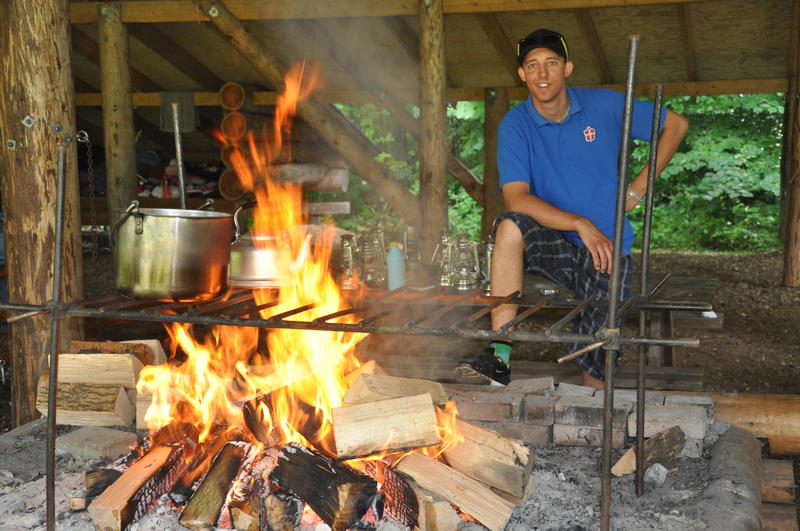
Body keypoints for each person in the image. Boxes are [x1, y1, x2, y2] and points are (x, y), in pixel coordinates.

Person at [454, 29, 688, 387]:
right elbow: (516, 198)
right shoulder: (516, 124)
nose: (542, 74)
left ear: (567, 68)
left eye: (551, 63)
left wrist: (638, 190)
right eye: (532, 66)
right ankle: (499, 354)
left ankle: (594, 428)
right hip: (555, 240)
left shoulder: (606, 105)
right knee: (509, 226)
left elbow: (676, 124)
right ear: (522, 75)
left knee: (595, 362)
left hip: (607, 246)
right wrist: (579, 223)